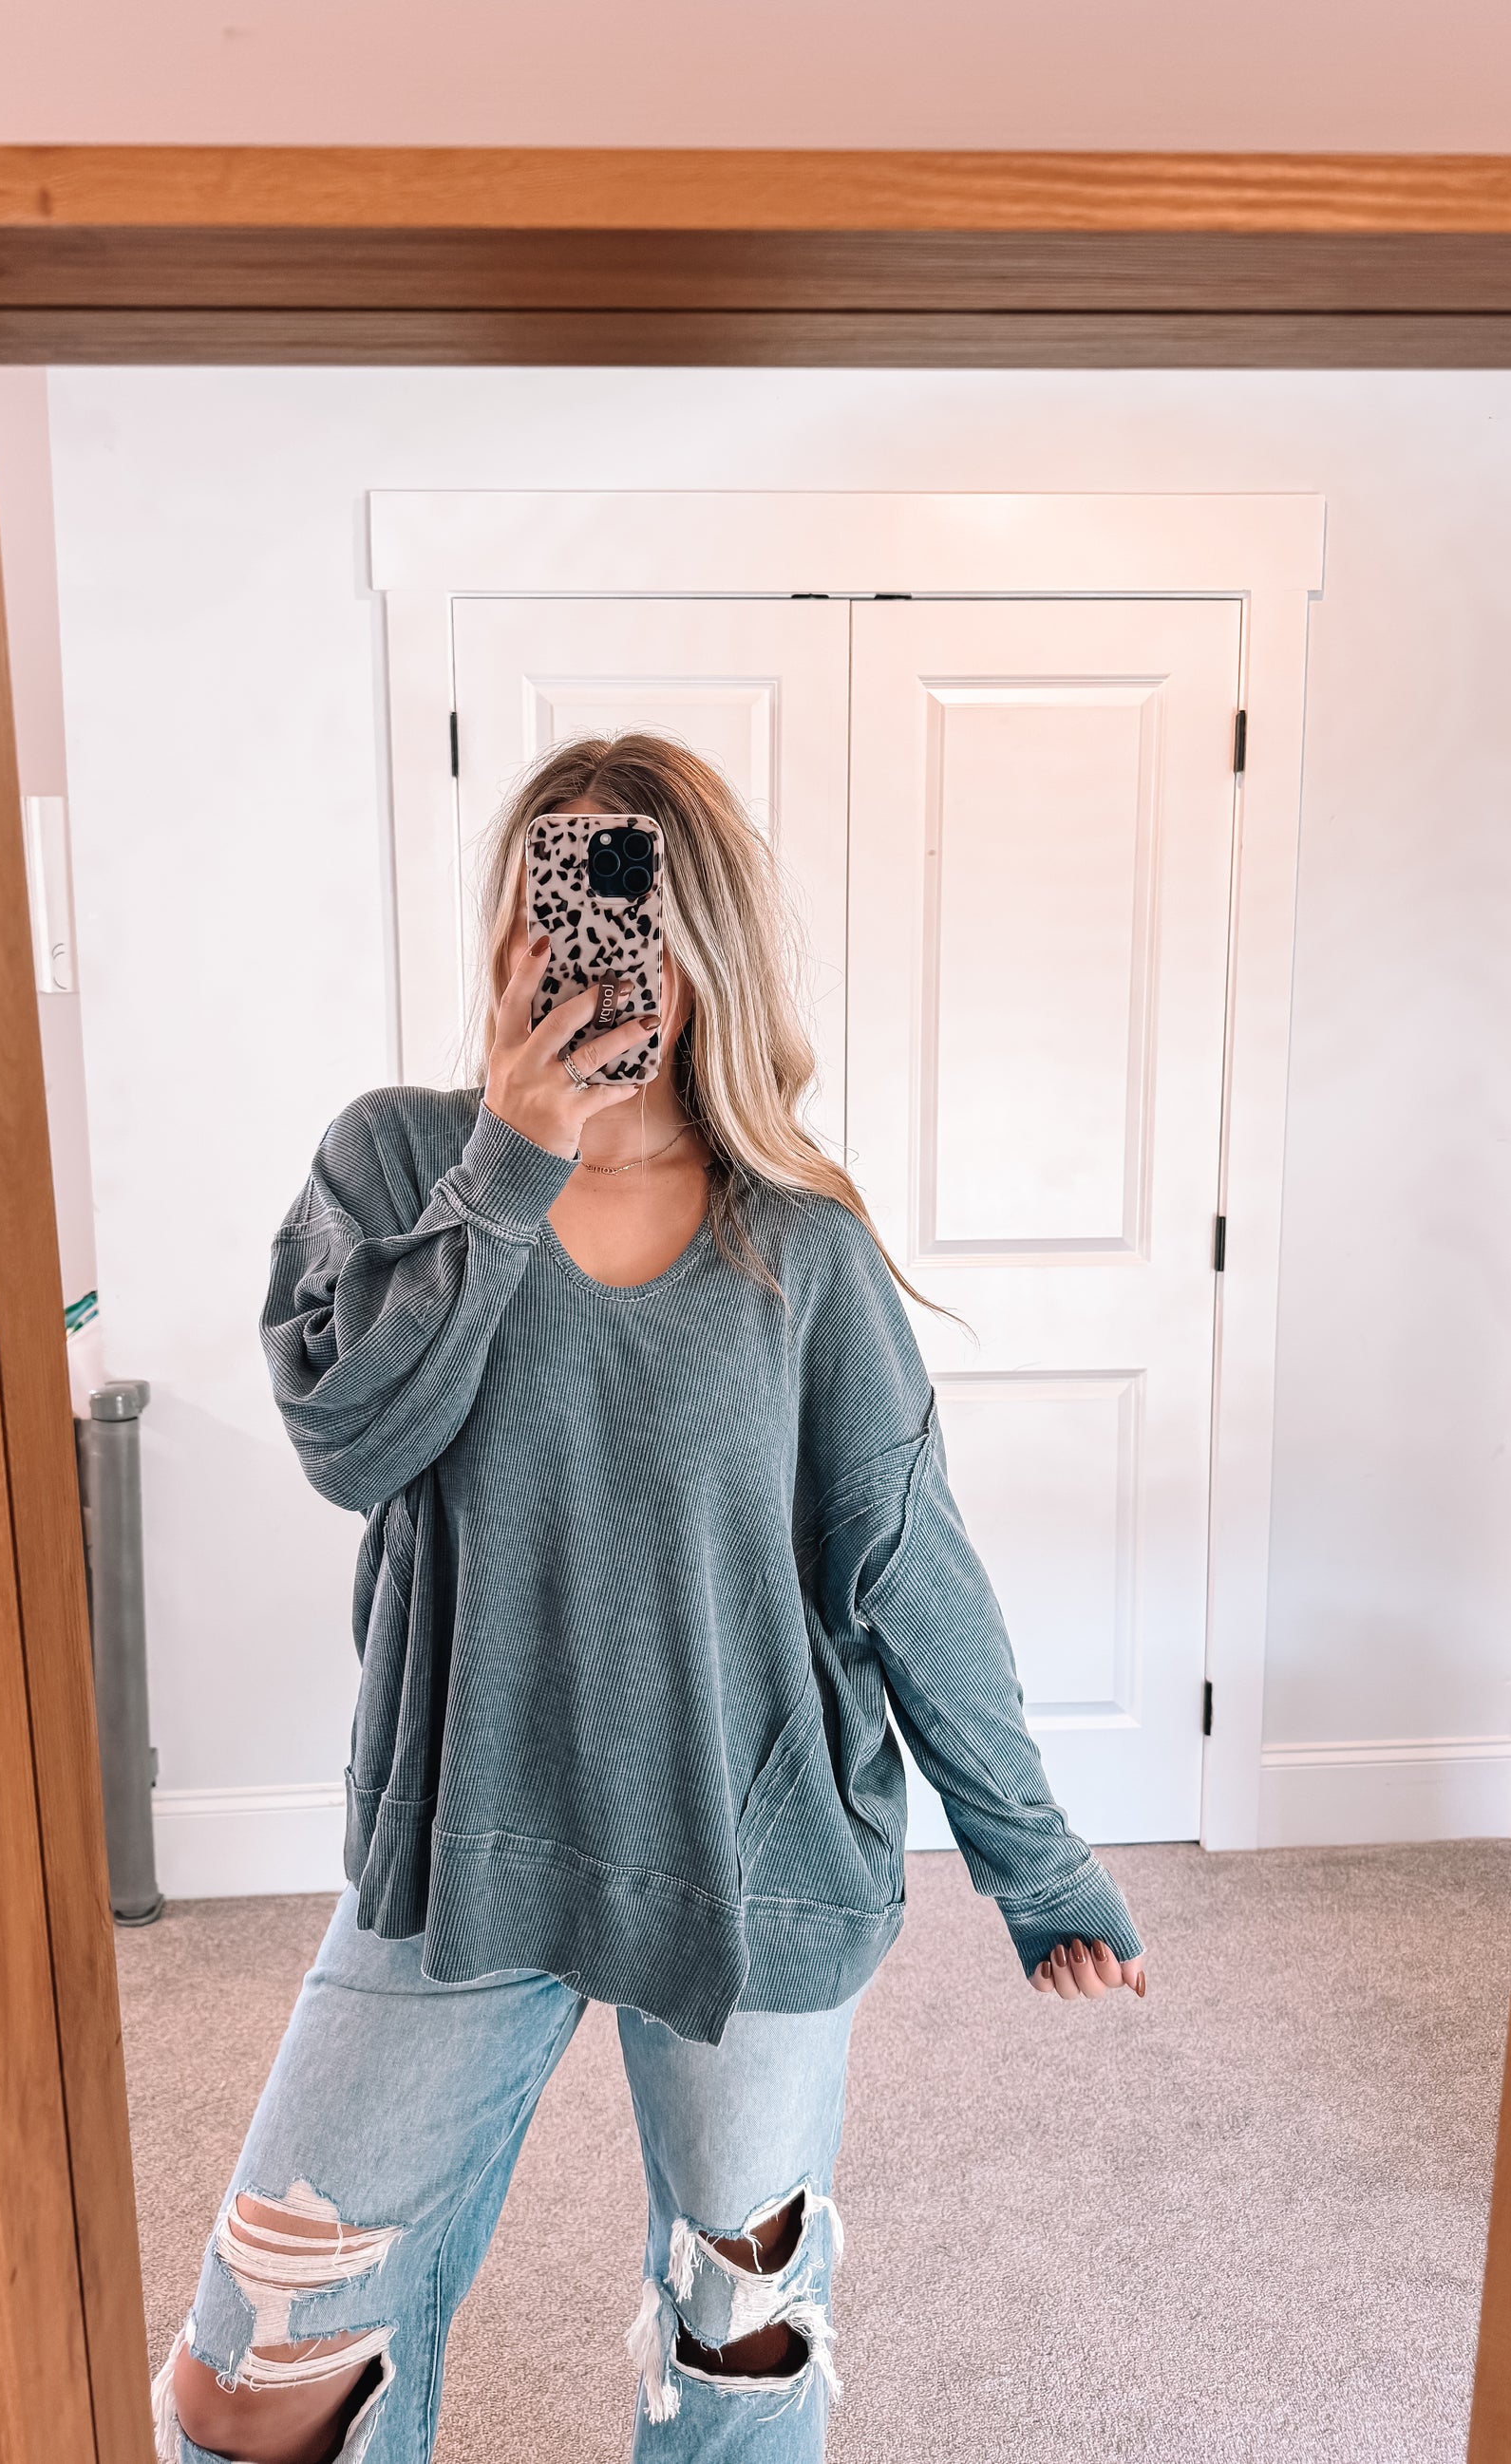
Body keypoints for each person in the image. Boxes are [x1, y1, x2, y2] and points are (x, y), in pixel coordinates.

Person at [153, 734, 1146, 2464]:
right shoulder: (398, 1165)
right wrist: (513, 1159)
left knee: (735, 2355)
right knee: (253, 2386)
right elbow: (350, 1442)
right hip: (458, 1850)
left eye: (641, 906)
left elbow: (909, 1566)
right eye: (564, 897)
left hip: (753, 1865)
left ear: (711, 940)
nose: (600, 946)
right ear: (513, 924)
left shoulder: (800, 1244)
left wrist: (1037, 1863)